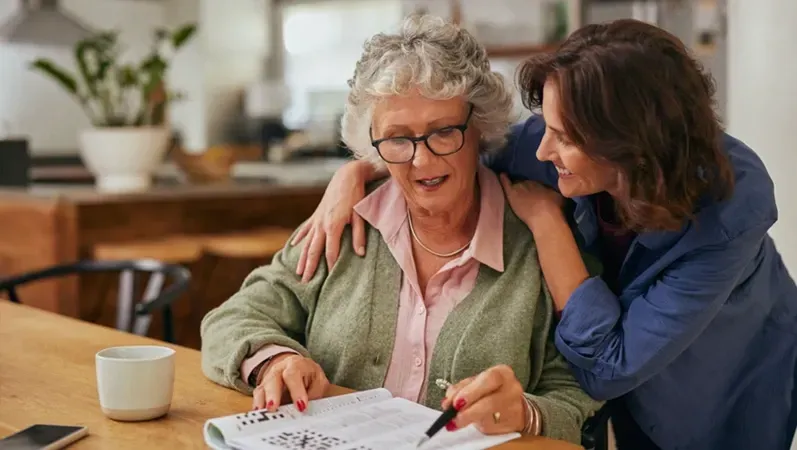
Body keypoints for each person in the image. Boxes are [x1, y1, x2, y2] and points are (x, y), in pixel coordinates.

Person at [291, 18, 797, 450]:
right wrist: (355, 173)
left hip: (720, 385)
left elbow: (609, 366)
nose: (540, 151)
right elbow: (447, 149)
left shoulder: (730, 212)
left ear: (628, 148)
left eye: (563, 138)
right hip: (616, 378)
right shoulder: (557, 138)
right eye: (545, 125)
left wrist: (546, 222)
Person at [201, 15, 601, 444]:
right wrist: (274, 360)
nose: (422, 162)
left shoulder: (544, 243)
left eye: (443, 132)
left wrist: (525, 413)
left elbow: (579, 395)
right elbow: (234, 317)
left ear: (480, 126)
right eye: (397, 139)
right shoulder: (343, 221)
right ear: (369, 142)